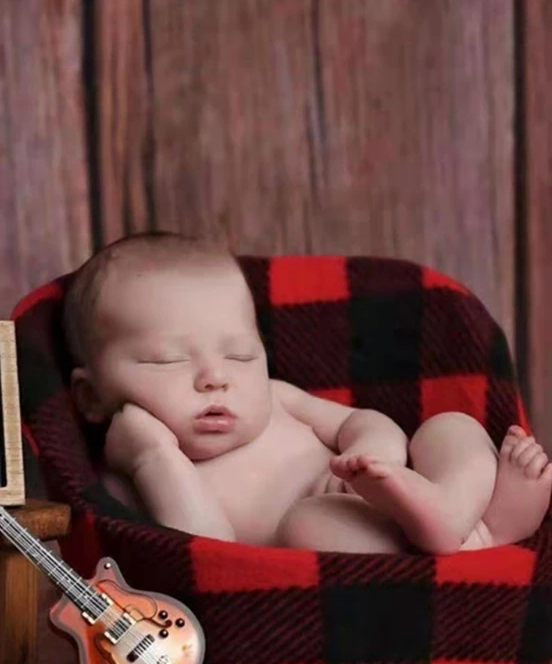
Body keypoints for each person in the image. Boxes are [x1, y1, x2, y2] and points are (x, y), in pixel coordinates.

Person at [62, 233, 552, 553]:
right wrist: (153, 456)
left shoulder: (277, 398)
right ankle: (481, 539)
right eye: (168, 360)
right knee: (308, 525)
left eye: (240, 356)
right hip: (349, 543)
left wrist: (371, 451)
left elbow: (359, 420)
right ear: (90, 398)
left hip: (392, 485)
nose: (215, 378)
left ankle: (451, 510)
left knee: (450, 427)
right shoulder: (135, 476)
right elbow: (204, 557)